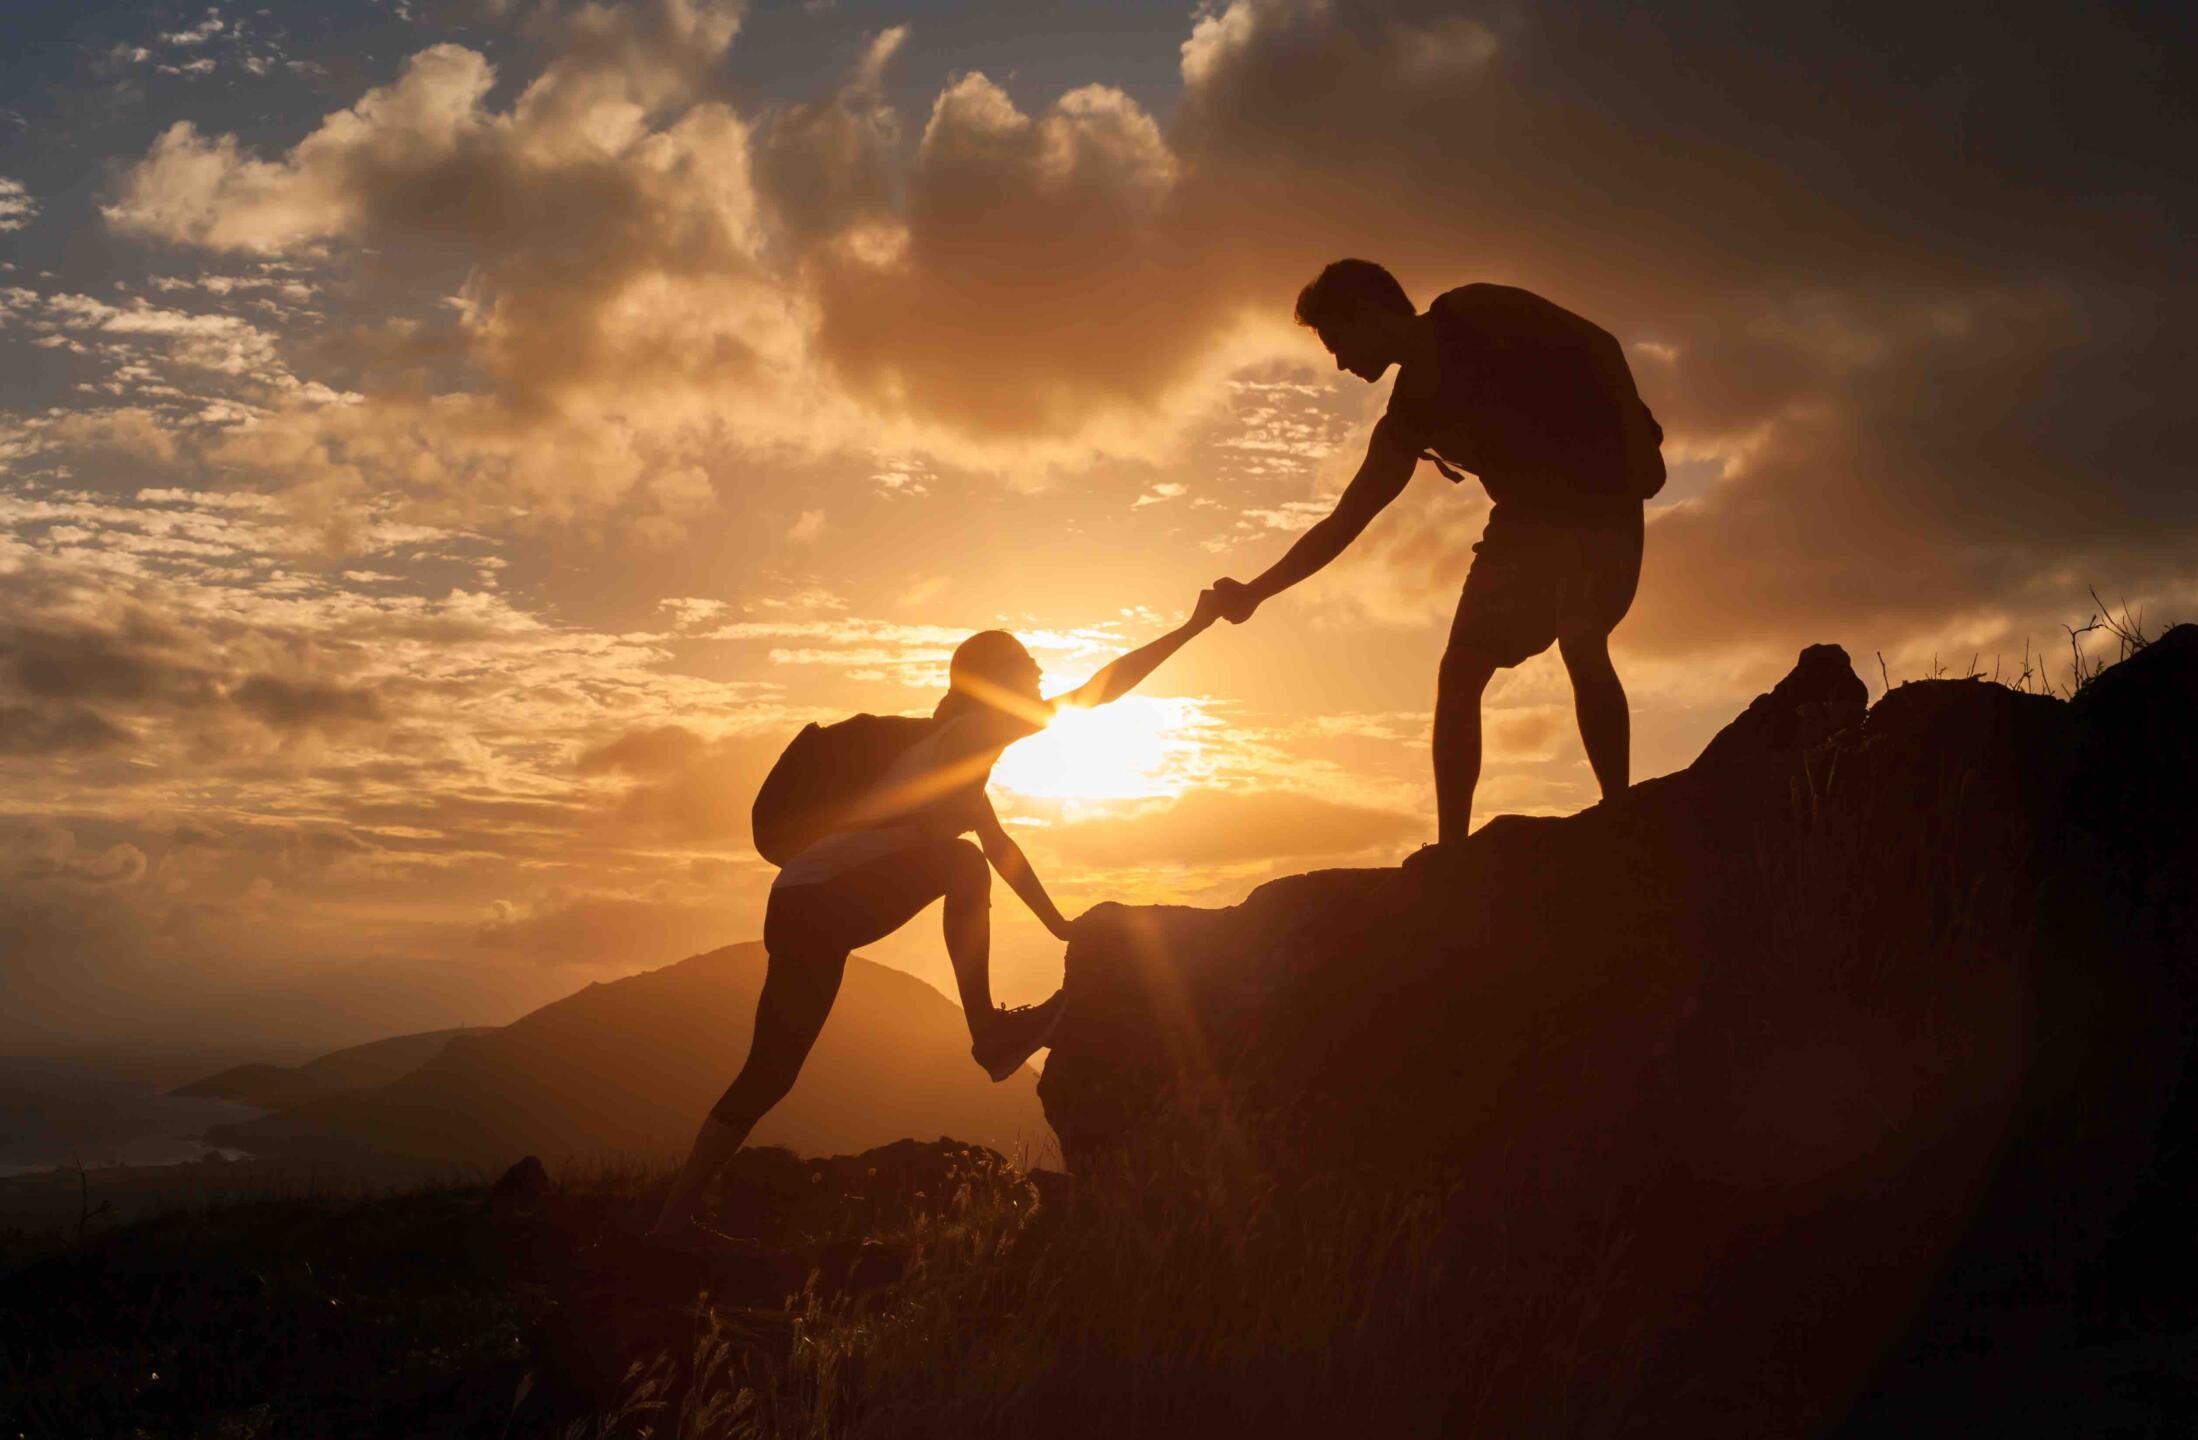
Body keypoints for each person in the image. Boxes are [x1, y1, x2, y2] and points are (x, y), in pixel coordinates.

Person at [650, 591, 1223, 1244]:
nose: (1038, 673)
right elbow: (1096, 693)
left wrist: (1061, 927)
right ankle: (989, 1037)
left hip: (804, 903)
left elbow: (1003, 851)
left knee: (771, 1073)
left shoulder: (953, 763)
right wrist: (1190, 626)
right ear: (995, 684)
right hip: (822, 900)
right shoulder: (972, 732)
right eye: (1027, 664)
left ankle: (668, 1229)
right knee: (958, 867)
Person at [1211, 260, 1665, 846]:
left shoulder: (1476, 310)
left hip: (1600, 492)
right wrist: (1254, 592)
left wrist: (1635, 440)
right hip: (1524, 523)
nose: (1341, 362)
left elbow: (1598, 344)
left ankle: (1619, 814)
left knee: (1579, 632)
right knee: (1459, 672)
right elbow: (1344, 522)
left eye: (1337, 341)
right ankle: (1454, 852)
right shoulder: (1406, 420)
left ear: (1369, 314)